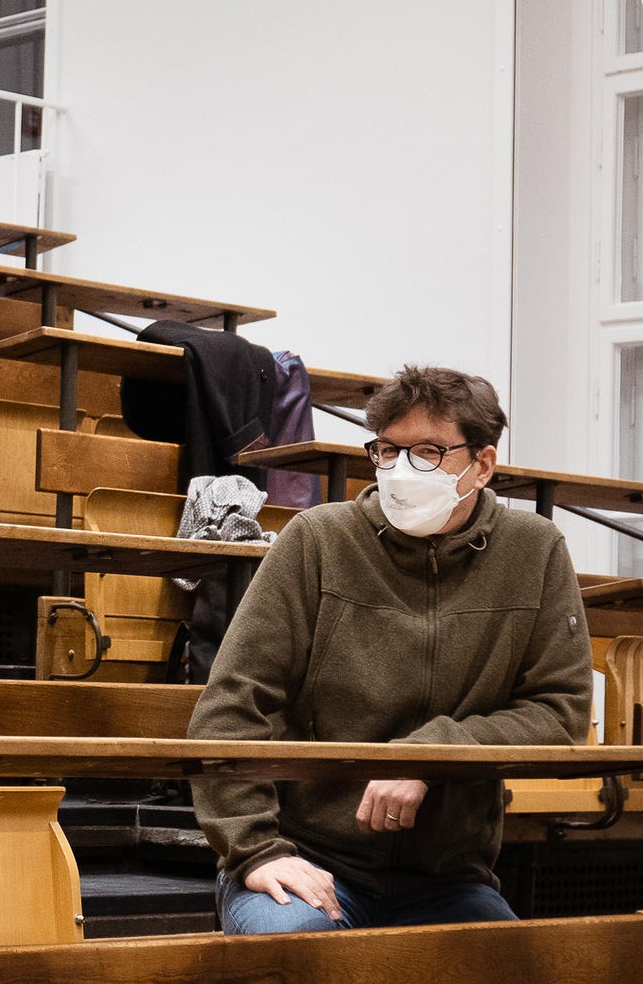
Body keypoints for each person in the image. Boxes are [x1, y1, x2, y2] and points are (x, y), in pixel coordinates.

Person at [191, 365, 593, 934]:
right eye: (387, 450)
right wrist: (257, 851)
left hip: (449, 879)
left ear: (482, 465)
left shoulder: (535, 550)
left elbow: (560, 711)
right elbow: (230, 706)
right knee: (297, 951)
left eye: (427, 452)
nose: (401, 470)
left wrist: (428, 756)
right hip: (307, 859)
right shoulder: (318, 540)